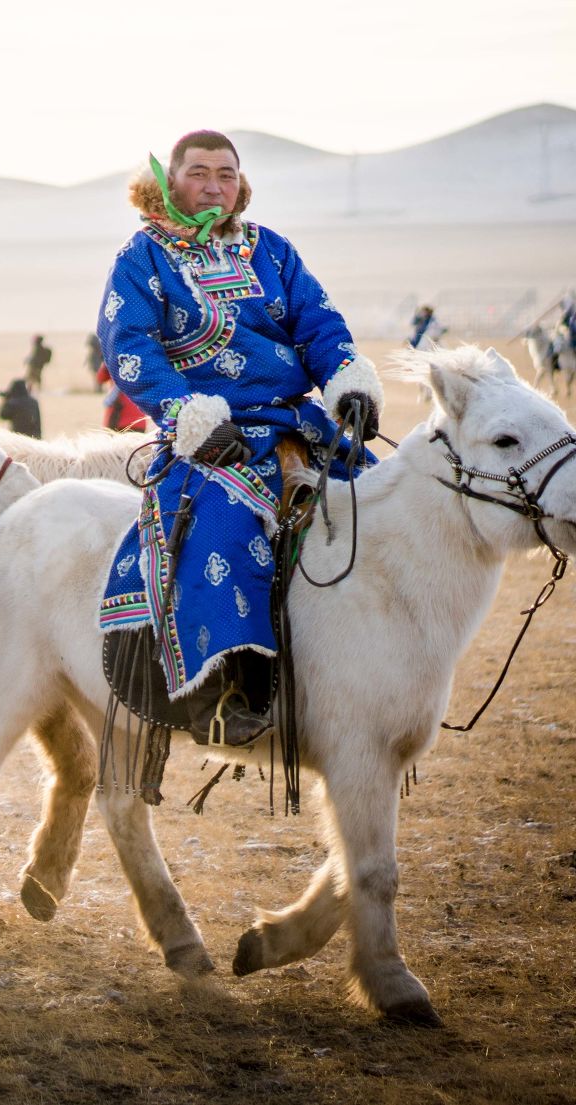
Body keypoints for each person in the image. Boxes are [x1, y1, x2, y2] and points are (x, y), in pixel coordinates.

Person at [97, 130, 381, 747]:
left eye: (226, 174)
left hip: (298, 422)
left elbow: (319, 323)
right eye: (199, 173)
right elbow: (133, 349)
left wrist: (347, 382)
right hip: (211, 437)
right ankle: (225, 690)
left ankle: (380, 666)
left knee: (381, 501)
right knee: (224, 523)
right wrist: (190, 418)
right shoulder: (142, 258)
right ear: (168, 183)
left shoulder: (272, 250)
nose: (214, 186)